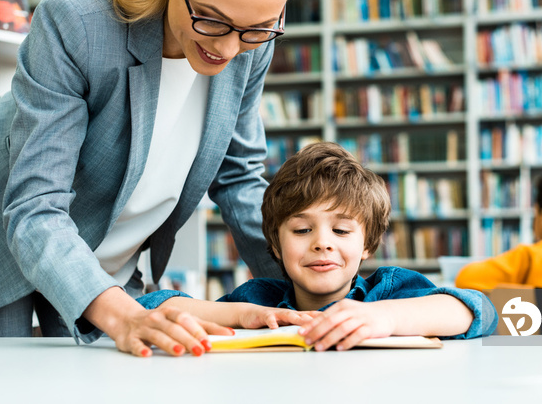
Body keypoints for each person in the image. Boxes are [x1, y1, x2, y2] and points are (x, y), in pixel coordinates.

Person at [0, 0, 309, 357]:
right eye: (210, 18)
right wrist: (125, 315)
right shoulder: (76, 22)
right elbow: (36, 205)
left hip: (108, 262)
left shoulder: (250, 39)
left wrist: (308, 294)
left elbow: (238, 175)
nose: (228, 49)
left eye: (256, 29)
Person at [138, 142, 498, 350]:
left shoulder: (388, 291)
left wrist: (383, 317)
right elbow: (148, 306)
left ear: (368, 244)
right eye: (301, 230)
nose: (322, 243)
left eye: (341, 231)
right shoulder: (259, 300)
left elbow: (480, 309)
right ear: (276, 246)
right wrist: (237, 315)